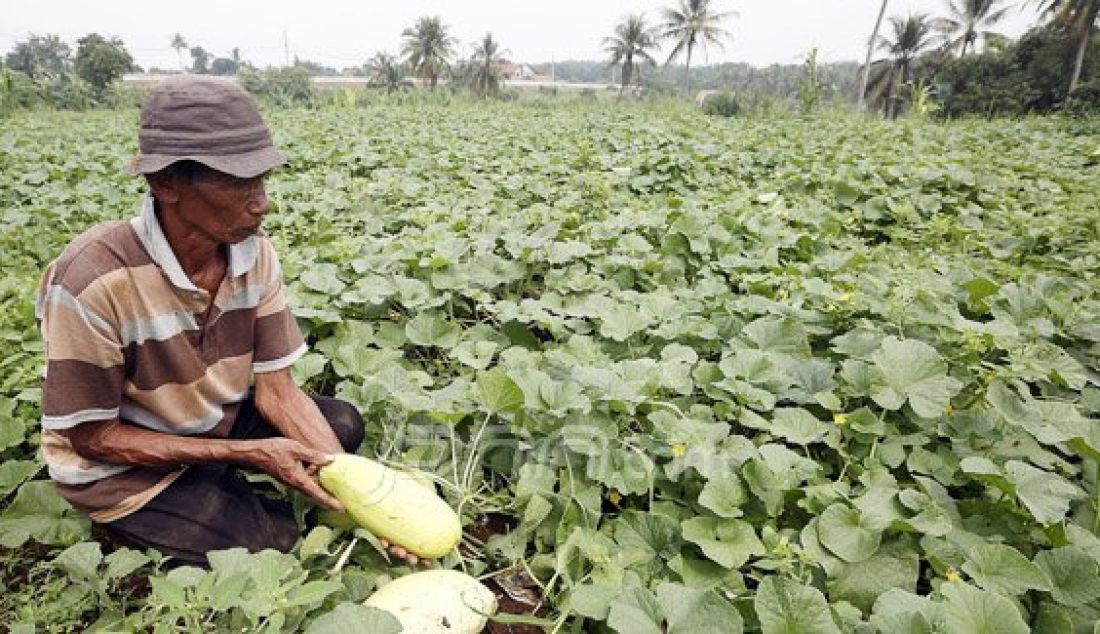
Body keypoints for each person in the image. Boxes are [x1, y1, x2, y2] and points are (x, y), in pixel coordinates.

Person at [35, 76, 420, 566]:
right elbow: (92, 438)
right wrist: (246, 454)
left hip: (215, 421)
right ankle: (153, 511)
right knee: (267, 546)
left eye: (261, 179)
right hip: (121, 461)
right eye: (235, 181)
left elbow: (277, 392)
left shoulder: (253, 254)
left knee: (341, 426)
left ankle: (218, 485)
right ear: (165, 182)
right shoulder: (91, 279)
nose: (260, 201)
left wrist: (369, 501)